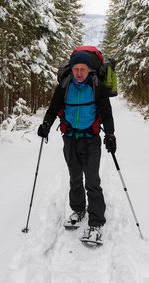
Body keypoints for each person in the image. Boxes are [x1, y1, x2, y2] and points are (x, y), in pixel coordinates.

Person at [37, 50, 116, 243]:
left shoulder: (98, 87)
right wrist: (46, 123)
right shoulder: (64, 87)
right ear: (71, 70)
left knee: (92, 180)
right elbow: (54, 108)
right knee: (74, 177)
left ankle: (96, 221)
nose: (79, 73)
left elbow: (106, 114)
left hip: (91, 138)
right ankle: (79, 210)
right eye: (76, 69)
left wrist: (111, 135)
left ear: (90, 70)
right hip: (70, 137)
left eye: (83, 69)